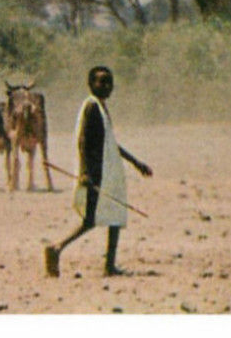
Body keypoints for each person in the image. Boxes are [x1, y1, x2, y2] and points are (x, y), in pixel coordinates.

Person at [44, 66, 152, 278]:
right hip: (97, 172)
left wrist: (135, 162)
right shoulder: (91, 107)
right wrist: (84, 171)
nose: (106, 86)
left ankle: (110, 266)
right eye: (101, 82)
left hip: (109, 173)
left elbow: (110, 143)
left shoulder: (100, 108)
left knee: (115, 217)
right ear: (90, 84)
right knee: (91, 220)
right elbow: (83, 140)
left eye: (109, 82)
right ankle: (57, 248)